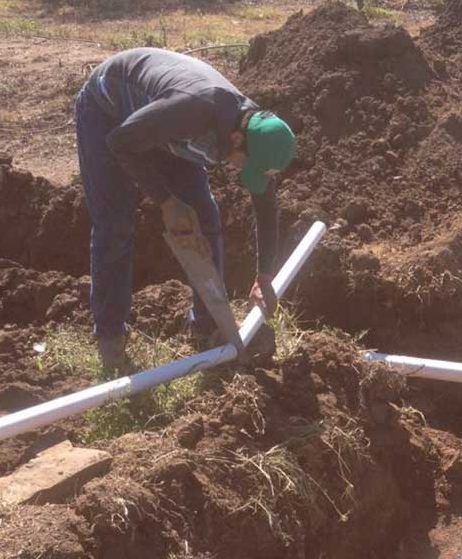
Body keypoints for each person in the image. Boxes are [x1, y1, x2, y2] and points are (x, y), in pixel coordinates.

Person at [74, 47, 296, 370]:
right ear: (235, 139)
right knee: (116, 222)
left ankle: (207, 328)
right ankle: (111, 342)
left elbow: (264, 202)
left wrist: (265, 273)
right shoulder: (193, 110)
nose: (239, 171)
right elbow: (121, 142)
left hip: (159, 128)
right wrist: (167, 202)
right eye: (241, 164)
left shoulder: (260, 136)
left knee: (204, 218)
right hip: (107, 113)